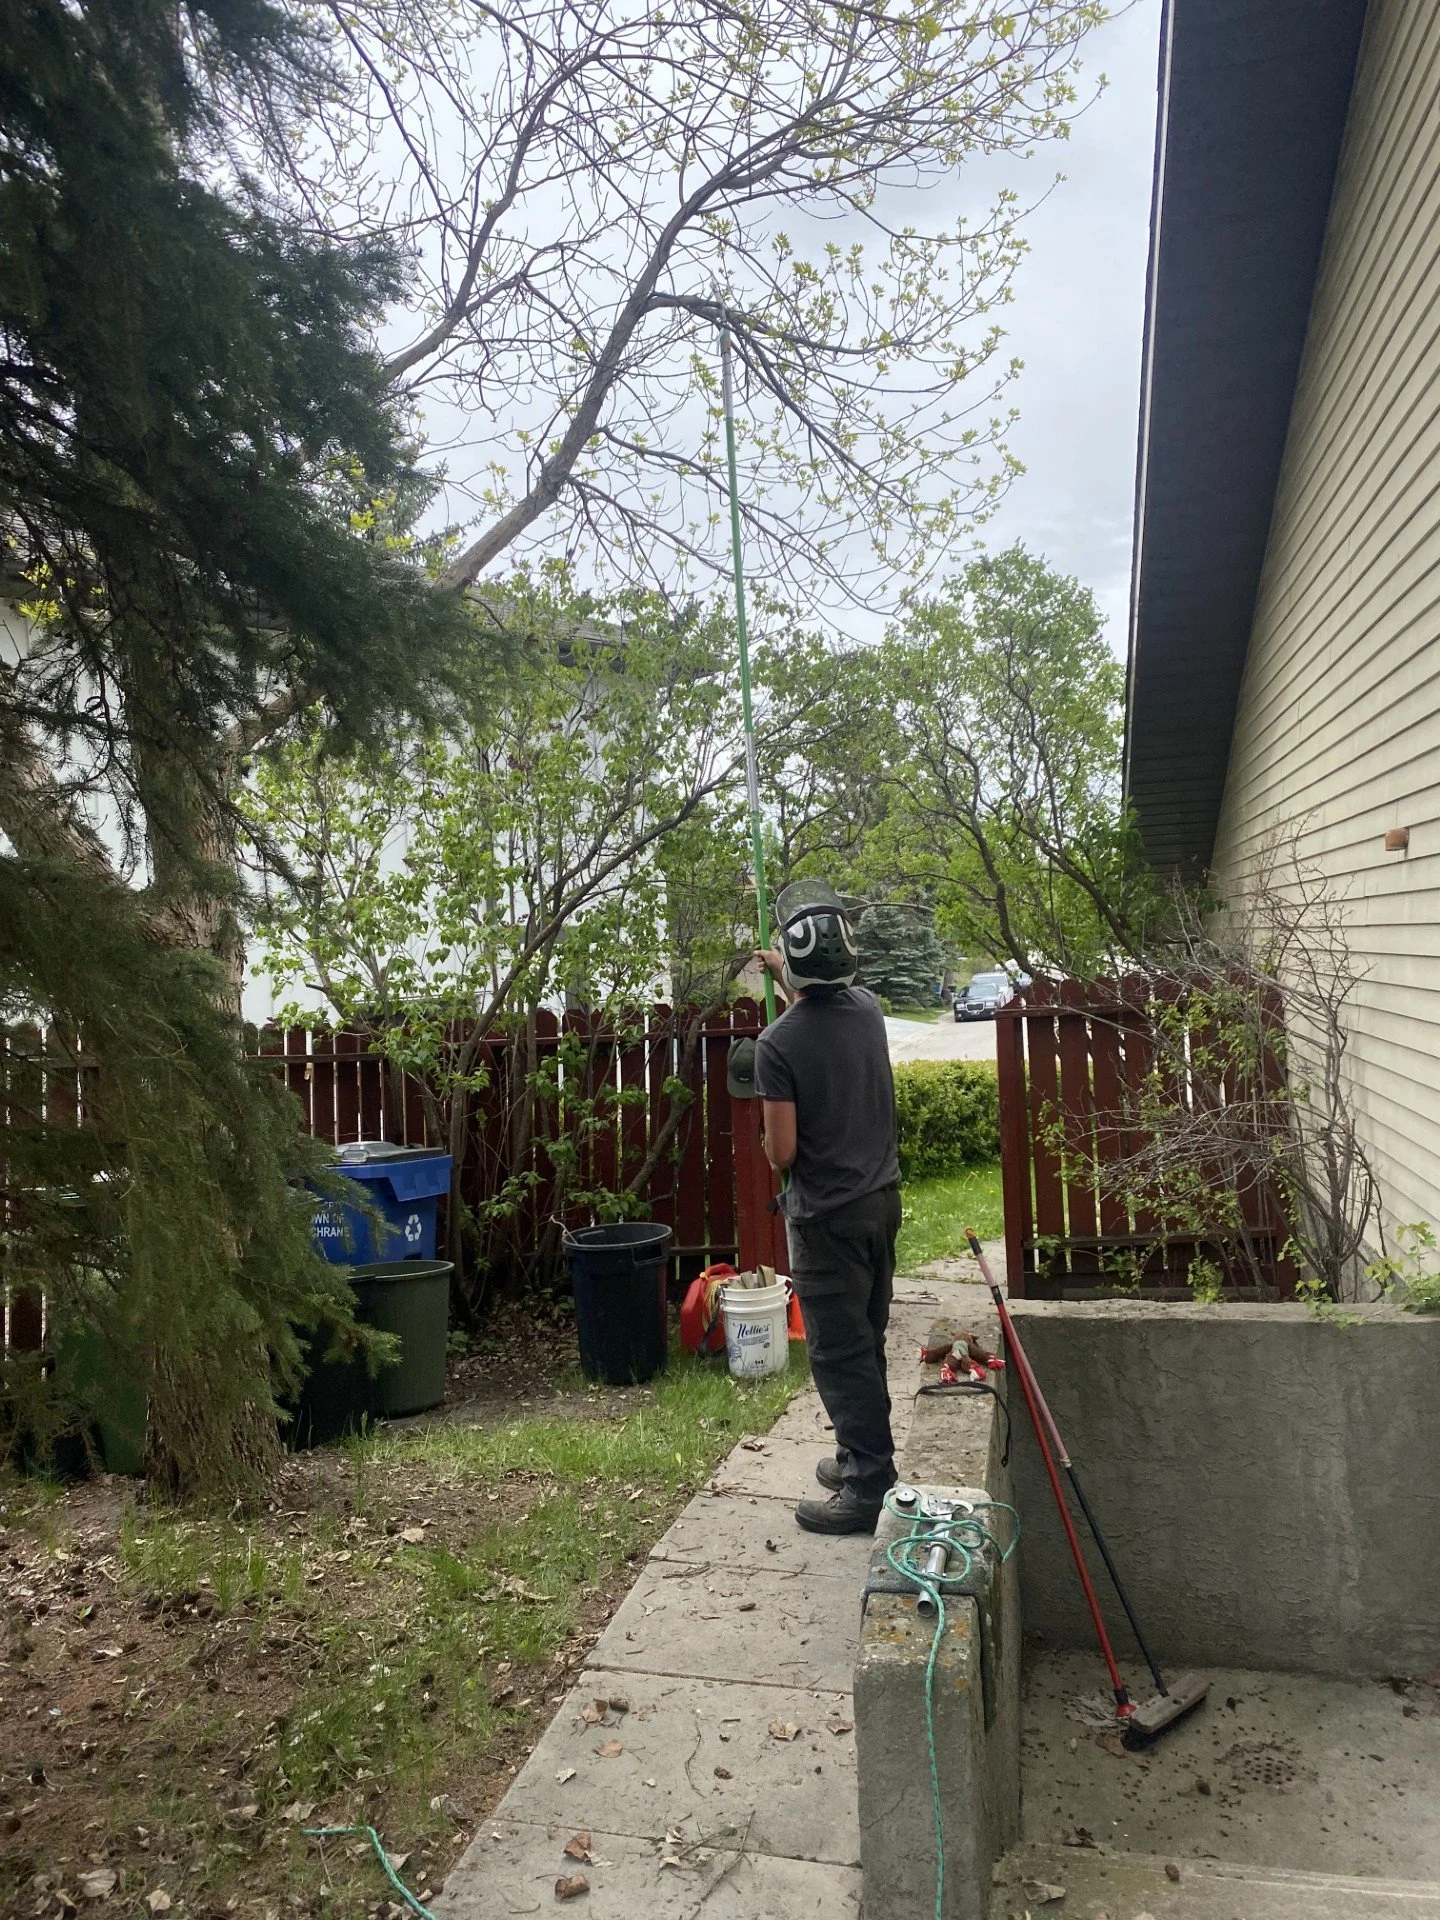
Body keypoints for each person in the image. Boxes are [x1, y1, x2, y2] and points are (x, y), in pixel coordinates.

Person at [752, 880, 901, 1535]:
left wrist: (762, 1136)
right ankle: (857, 1454)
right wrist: (784, 972)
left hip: (826, 1221)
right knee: (865, 1340)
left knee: (839, 1354)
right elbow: (817, 1002)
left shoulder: (776, 1046)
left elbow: (782, 1153)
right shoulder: (867, 1009)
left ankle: (869, 1487)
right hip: (879, 1204)